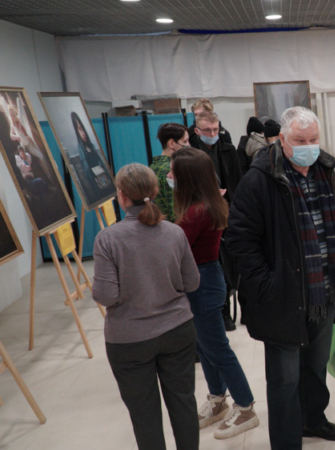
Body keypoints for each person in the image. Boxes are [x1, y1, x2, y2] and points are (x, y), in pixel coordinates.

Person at [226, 106, 335, 449]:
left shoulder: (325, 170)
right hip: (283, 296)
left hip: (324, 290)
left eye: (314, 139)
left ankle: (314, 420)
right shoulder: (259, 179)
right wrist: (267, 284)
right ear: (282, 140)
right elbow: (239, 239)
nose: (309, 146)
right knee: (284, 379)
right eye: (300, 140)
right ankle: (286, 442)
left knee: (315, 366)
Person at [92, 163, 200, 450]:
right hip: (177, 330)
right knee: (184, 404)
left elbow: (106, 295)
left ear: (122, 195)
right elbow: (192, 282)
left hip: (129, 340)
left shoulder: (108, 239)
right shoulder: (174, 232)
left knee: (145, 416)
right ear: (154, 191)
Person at [169, 147, 260, 439]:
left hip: (202, 282)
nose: (169, 176)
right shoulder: (206, 202)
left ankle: (245, 406)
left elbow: (173, 247)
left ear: (187, 178)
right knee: (206, 347)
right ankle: (217, 398)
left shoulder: (196, 212)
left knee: (217, 349)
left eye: (173, 172)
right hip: (204, 279)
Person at [189, 111, 242, 332]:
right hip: (206, 215)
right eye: (208, 130)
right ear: (197, 131)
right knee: (216, 264)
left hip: (229, 212)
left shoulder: (228, 149)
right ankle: (222, 311)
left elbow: (238, 181)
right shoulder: (191, 154)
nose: (213, 134)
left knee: (234, 262)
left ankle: (236, 308)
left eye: (215, 129)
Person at [151, 123, 189, 222]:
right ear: (171, 143)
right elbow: (175, 213)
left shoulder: (153, 167)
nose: (188, 145)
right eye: (185, 141)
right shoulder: (171, 171)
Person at [71, 112, 112, 203]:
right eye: (80, 129)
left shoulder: (92, 147)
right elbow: (87, 174)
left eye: (83, 129)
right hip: (97, 186)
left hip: (105, 181)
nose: (83, 133)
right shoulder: (82, 152)